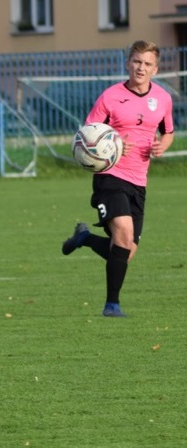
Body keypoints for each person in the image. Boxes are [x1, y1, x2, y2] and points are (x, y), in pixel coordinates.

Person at [61, 40, 175, 318]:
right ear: (128, 63)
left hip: (139, 181)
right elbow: (88, 134)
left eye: (147, 64)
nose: (141, 67)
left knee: (126, 250)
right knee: (123, 233)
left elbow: (168, 131)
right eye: (137, 61)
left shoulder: (162, 99)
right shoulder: (110, 97)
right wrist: (112, 141)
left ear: (155, 69)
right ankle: (112, 305)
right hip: (110, 176)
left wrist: (164, 144)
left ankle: (85, 238)